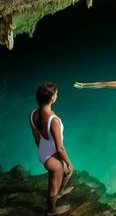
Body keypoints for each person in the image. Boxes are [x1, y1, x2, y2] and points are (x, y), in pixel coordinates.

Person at [30, 82, 73, 215]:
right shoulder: (54, 121)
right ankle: (51, 211)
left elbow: (37, 138)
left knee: (67, 173)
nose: (57, 94)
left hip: (43, 150)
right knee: (55, 186)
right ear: (52, 98)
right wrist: (68, 162)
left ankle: (60, 193)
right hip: (52, 155)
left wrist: (43, 153)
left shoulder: (34, 114)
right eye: (56, 93)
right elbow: (59, 148)